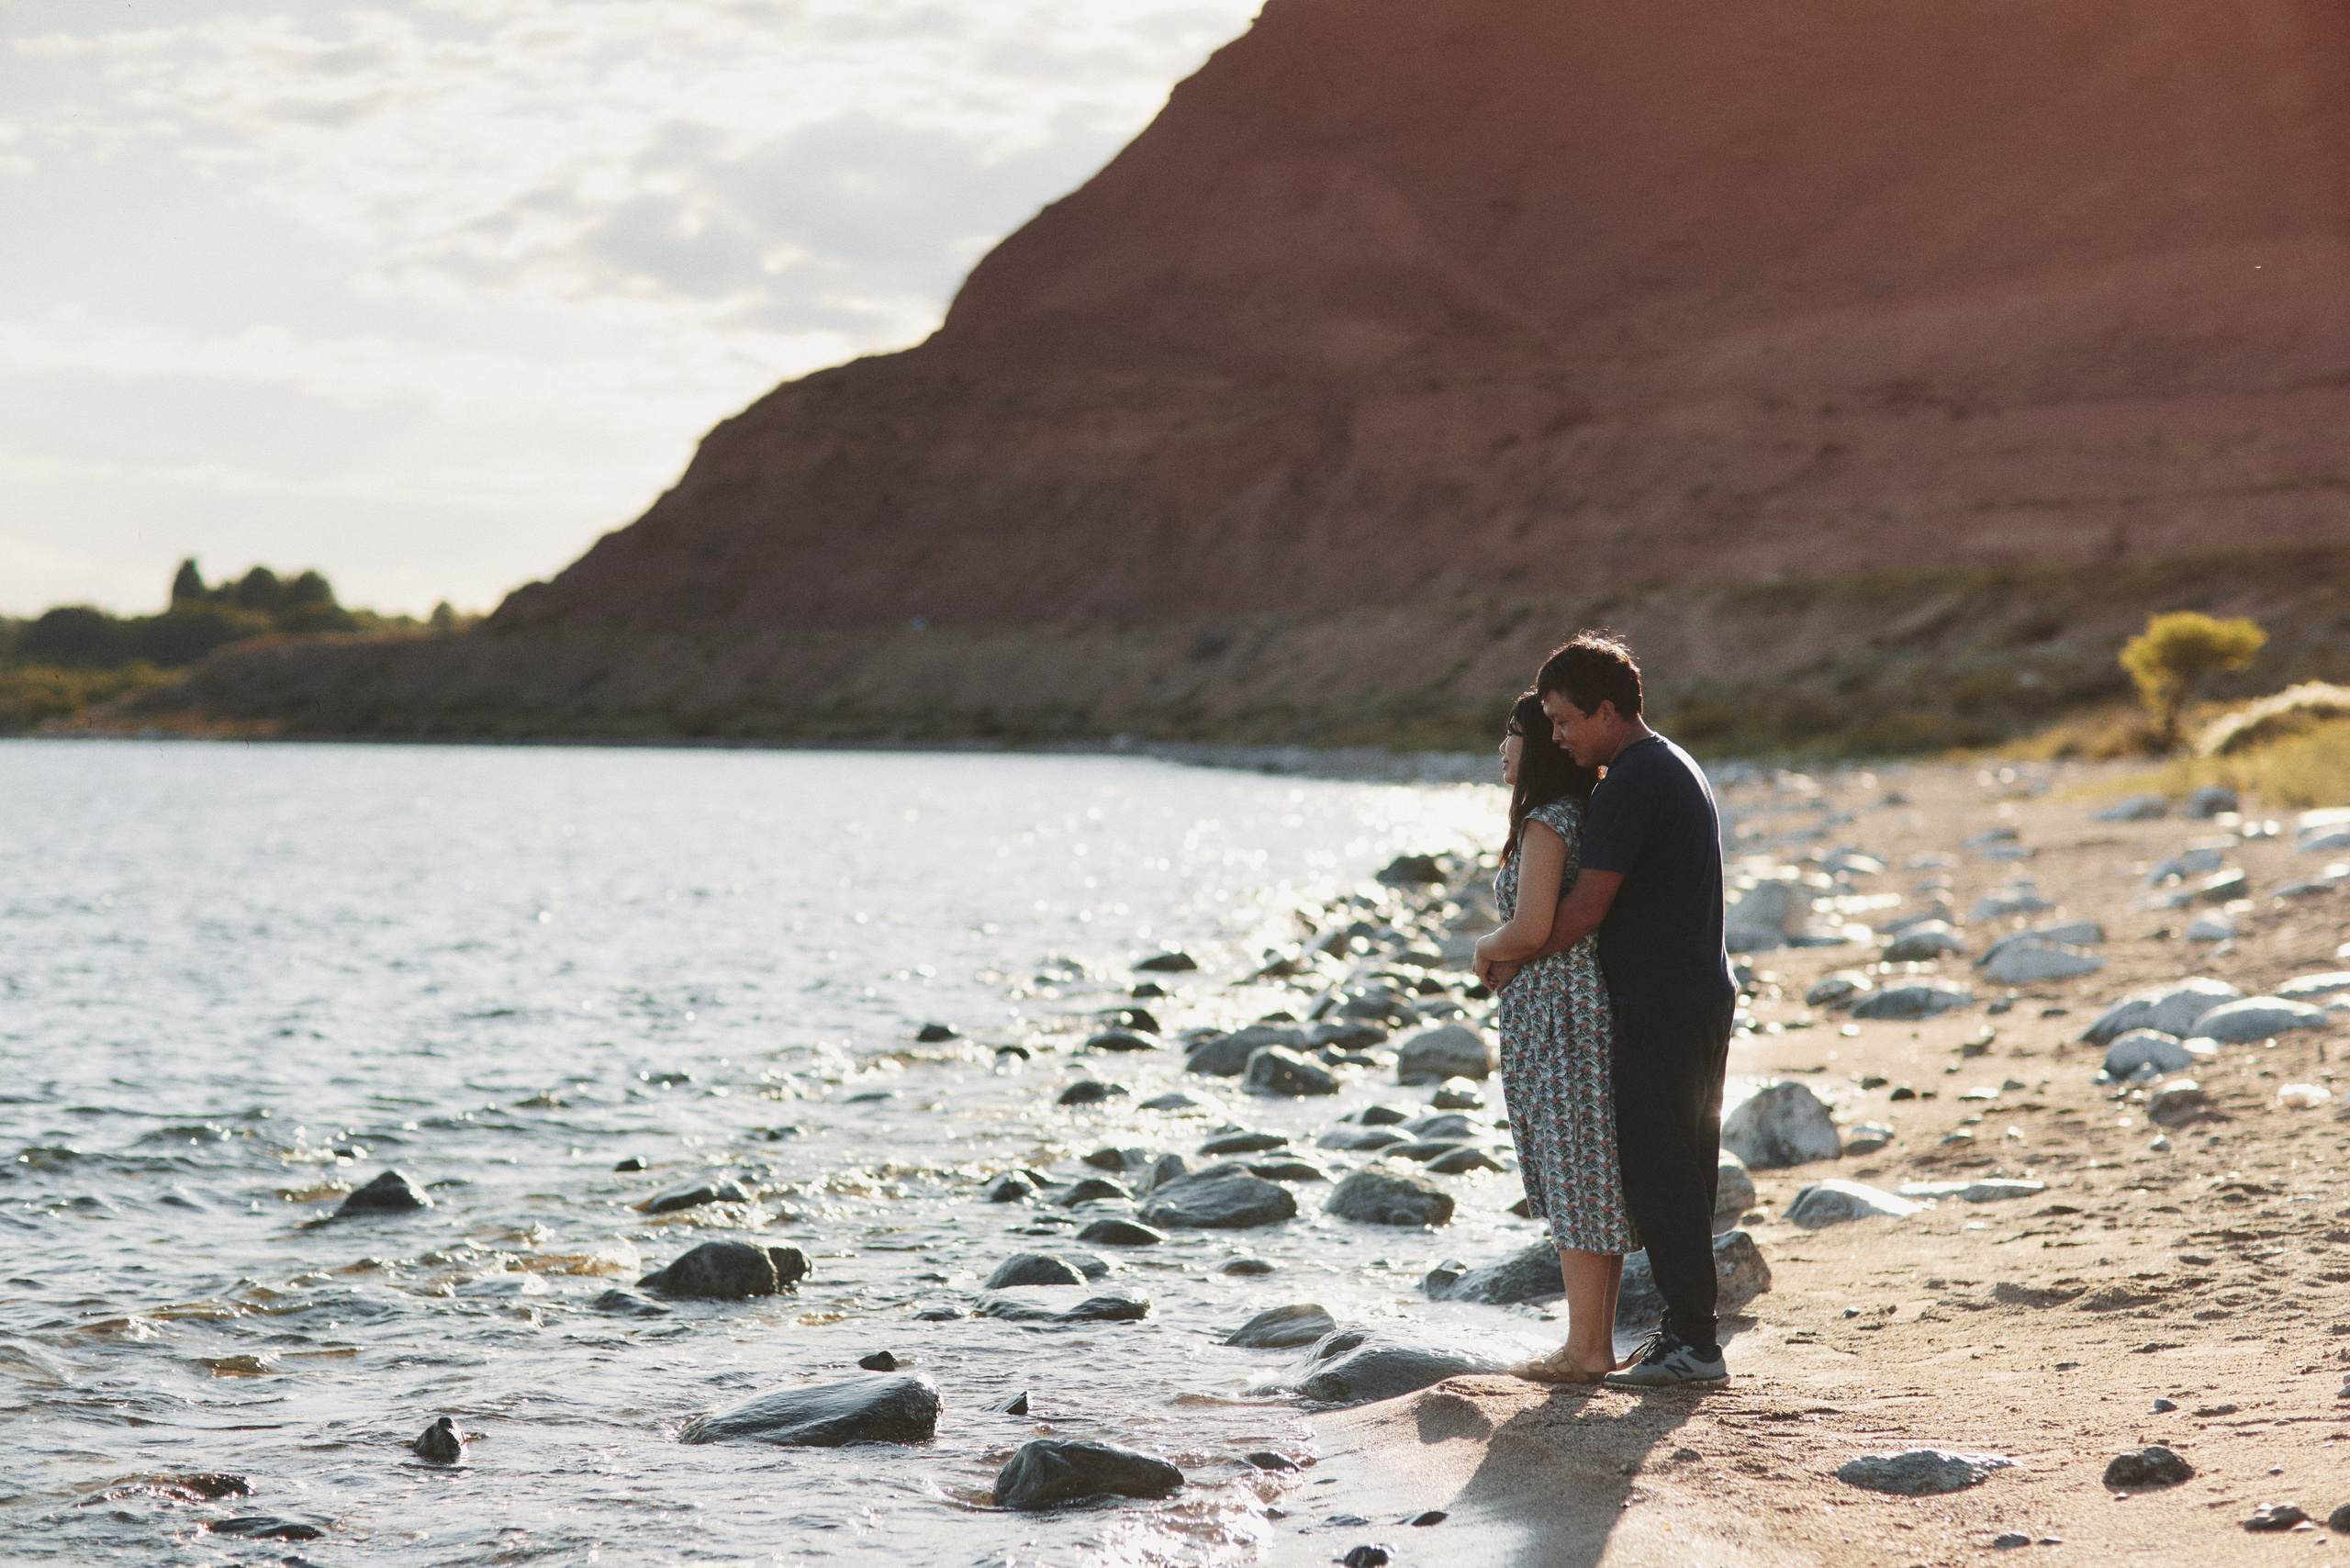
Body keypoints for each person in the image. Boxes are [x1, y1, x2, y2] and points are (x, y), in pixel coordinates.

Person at [1475, 632, 1737, 1388]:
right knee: (1678, 1172)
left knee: (1664, 1177)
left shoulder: (1632, 779)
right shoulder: (1666, 764)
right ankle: (1687, 1335)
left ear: (1608, 709)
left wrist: (1503, 953)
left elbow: (1586, 909)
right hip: (1689, 991)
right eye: (1549, 725)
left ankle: (1692, 1345)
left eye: (1564, 720)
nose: (1557, 736)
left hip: (1663, 1000)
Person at [1472, 691, 1639, 1383]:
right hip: (1568, 1011)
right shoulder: (1571, 813)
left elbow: (1534, 925)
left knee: (1576, 1176)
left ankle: (1585, 1349)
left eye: (1509, 736)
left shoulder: (1547, 821)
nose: (1501, 751)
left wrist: (1484, 946)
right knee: (1591, 1177)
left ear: (1535, 745)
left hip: (1560, 1017)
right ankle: (1592, 1344)